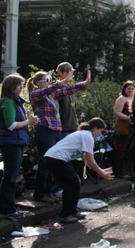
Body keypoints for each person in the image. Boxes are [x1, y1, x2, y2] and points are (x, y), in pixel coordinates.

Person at [28, 69, 90, 203]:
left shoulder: (52, 95)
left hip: (56, 130)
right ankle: (40, 193)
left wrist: (83, 84)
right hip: (45, 130)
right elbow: (46, 91)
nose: (49, 83)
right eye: (46, 80)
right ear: (38, 83)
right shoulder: (35, 94)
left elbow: (66, 91)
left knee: (53, 162)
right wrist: (59, 82)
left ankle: (49, 192)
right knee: (45, 162)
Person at [43, 118, 113, 223]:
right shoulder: (87, 136)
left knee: (73, 184)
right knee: (72, 185)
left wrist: (97, 169)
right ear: (94, 128)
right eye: (100, 131)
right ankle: (65, 214)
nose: (100, 134)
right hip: (56, 158)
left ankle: (72, 211)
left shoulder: (84, 134)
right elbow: (91, 160)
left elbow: (86, 159)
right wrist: (102, 173)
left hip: (54, 158)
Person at [0, 74, 40, 218]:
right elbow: (11, 125)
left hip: (16, 141)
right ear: (11, 86)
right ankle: (7, 208)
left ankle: (8, 205)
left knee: (12, 174)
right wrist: (29, 122)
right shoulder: (8, 102)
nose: (22, 87)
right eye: (19, 85)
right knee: (10, 175)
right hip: (11, 142)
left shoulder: (14, 102)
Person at [112, 81, 135, 178]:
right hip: (123, 126)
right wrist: (127, 118)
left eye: (132, 88)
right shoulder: (122, 98)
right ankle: (121, 171)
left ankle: (130, 170)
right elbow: (117, 112)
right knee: (122, 148)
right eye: (128, 89)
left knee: (130, 148)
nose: (130, 90)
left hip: (131, 127)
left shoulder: (133, 99)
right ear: (124, 89)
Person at [55, 62, 79, 138]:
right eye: (67, 72)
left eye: (71, 72)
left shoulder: (71, 89)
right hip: (63, 129)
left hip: (73, 128)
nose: (70, 74)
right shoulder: (55, 89)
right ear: (59, 73)